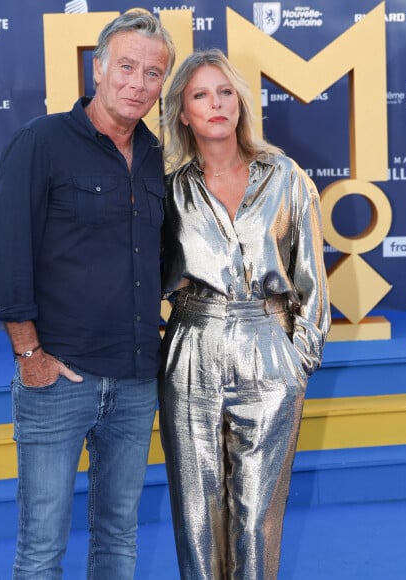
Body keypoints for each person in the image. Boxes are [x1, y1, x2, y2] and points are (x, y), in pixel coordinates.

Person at [0, 10, 175, 579]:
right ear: (98, 69)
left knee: (119, 538)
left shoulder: (155, 157)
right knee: (42, 549)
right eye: (127, 67)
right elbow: (6, 255)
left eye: (153, 73)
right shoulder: (40, 142)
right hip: (58, 377)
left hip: (137, 380)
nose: (138, 83)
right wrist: (29, 356)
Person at [158, 49, 331, 580]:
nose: (216, 105)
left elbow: (312, 284)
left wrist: (297, 362)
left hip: (270, 351)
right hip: (191, 351)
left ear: (240, 103)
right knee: (197, 520)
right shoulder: (168, 189)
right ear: (183, 113)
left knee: (258, 521)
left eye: (225, 92)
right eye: (200, 95)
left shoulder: (286, 178)